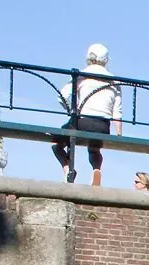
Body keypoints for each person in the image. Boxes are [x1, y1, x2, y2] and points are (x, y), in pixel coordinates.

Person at [52, 43, 120, 186]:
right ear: (106, 60)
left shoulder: (81, 75)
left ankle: (68, 169)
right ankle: (96, 170)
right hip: (103, 126)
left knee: (56, 143)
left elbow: (62, 96)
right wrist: (119, 134)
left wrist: (72, 110)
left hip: (82, 122)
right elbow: (117, 112)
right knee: (94, 149)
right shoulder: (114, 81)